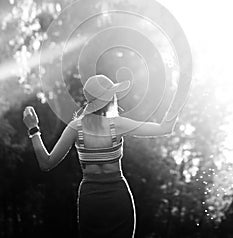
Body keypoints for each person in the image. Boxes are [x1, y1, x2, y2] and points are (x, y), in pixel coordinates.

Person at [23, 74, 179, 238]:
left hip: (90, 200)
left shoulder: (75, 127)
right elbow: (164, 128)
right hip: (118, 197)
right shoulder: (118, 125)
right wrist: (178, 99)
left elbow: (46, 163)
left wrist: (33, 130)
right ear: (109, 98)